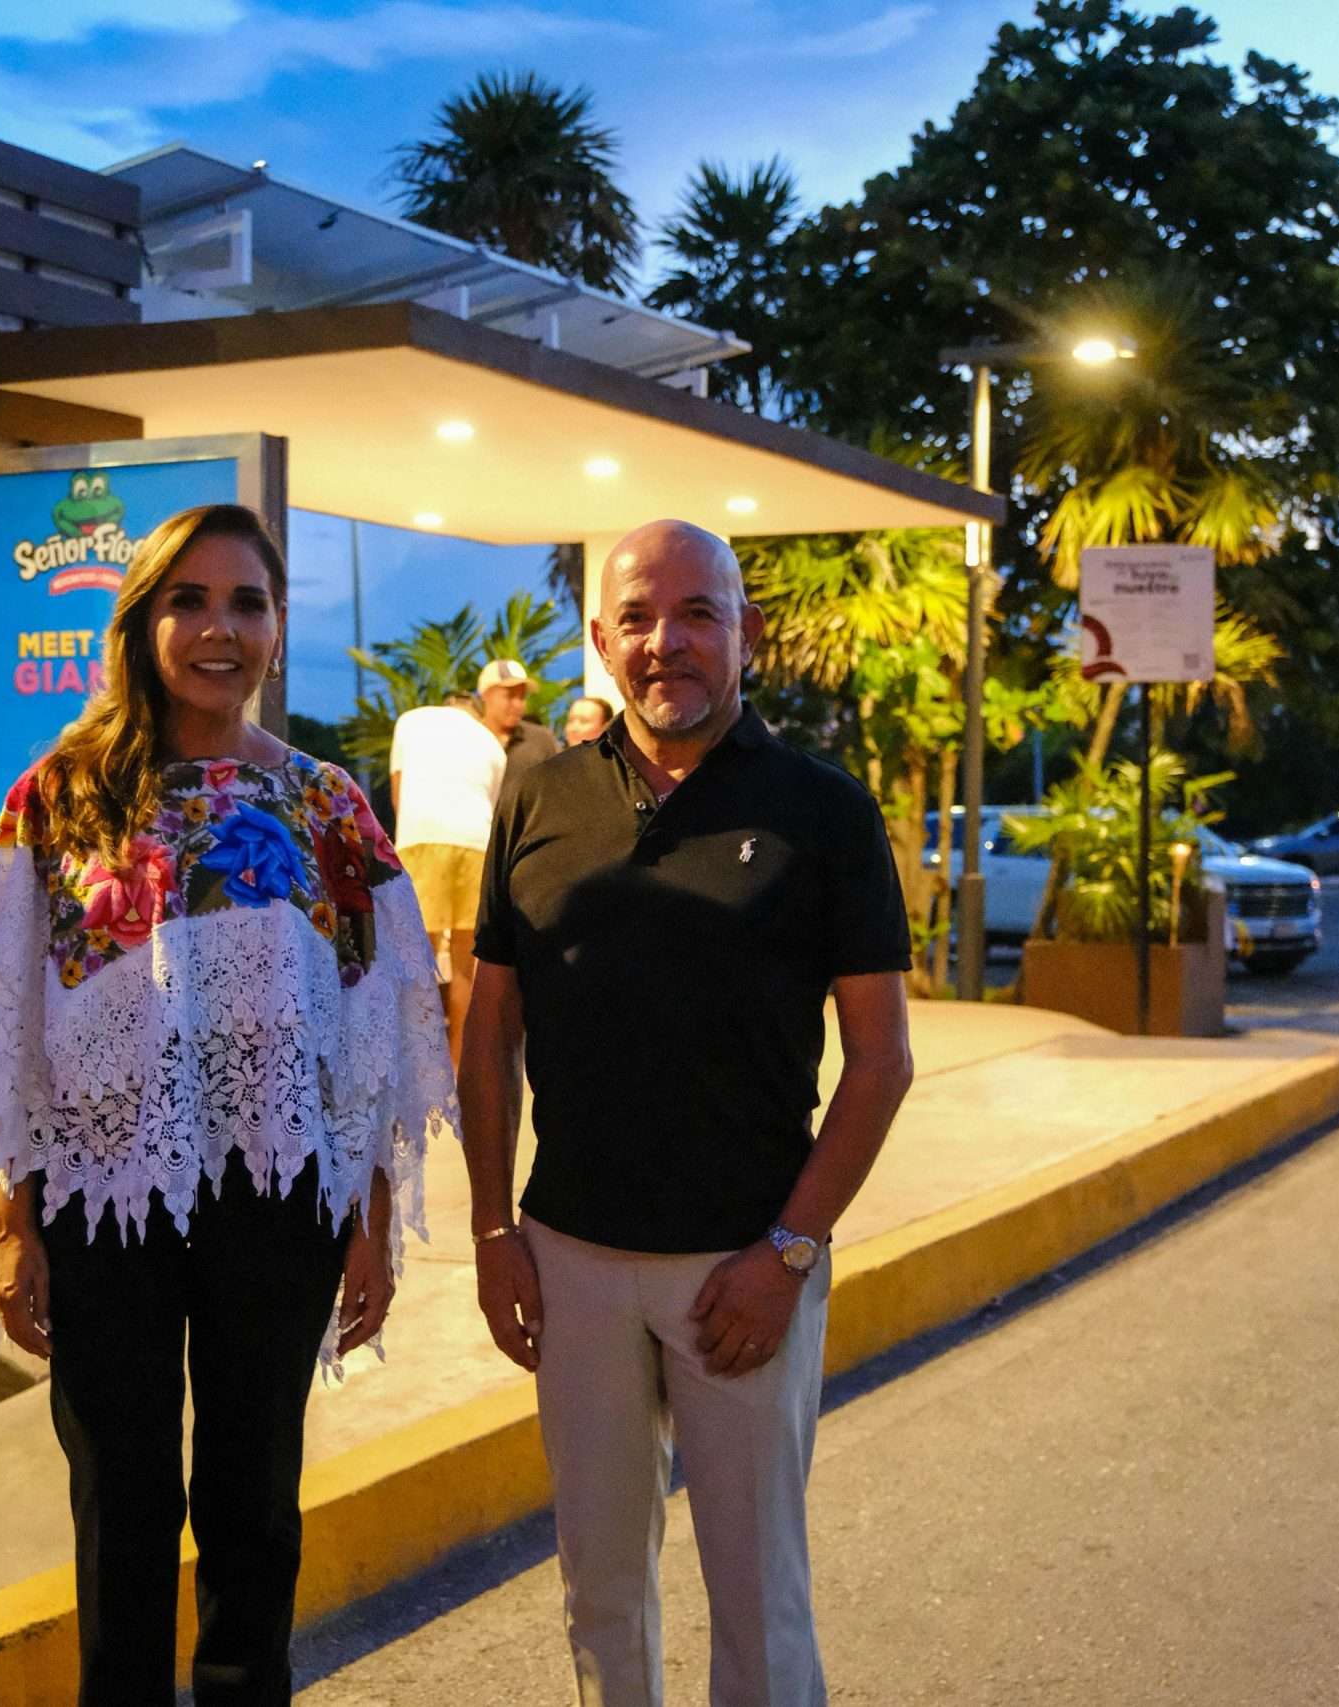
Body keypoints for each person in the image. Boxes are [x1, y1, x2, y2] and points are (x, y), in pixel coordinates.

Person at [0, 503, 456, 1707]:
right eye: (189, 601)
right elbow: (7, 1032)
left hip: (279, 1195)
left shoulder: (328, 806)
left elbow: (373, 1042)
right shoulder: (57, 798)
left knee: (254, 1501)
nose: (219, 629)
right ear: (141, 622)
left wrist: (373, 1219)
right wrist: (13, 1223)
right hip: (101, 1193)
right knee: (121, 1500)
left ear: (276, 629)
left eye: (247, 603)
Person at [460, 519, 916, 1707]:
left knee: (758, 1597)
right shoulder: (538, 793)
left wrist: (788, 1252)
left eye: (697, 614)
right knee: (599, 1588)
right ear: (602, 640)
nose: (666, 642)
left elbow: (881, 1062)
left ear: (745, 633)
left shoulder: (824, 810)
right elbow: (490, 1031)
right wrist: (492, 1230)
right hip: (571, 1261)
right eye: (637, 619)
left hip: (743, 1266)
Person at [388, 690, 506, 1058]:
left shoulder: (412, 721)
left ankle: (417, 1059)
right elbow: (490, 804)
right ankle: (457, 1062)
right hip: (476, 844)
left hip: (422, 837)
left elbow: (398, 795)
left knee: (416, 951)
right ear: (477, 713)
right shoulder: (492, 743)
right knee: (465, 961)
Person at [478, 656, 561, 791]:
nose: (518, 705)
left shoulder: (541, 740)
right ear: (485, 695)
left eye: (522, 697)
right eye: (509, 695)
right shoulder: (469, 740)